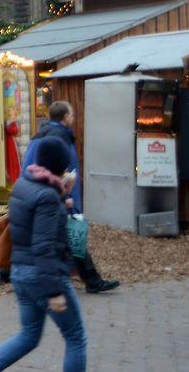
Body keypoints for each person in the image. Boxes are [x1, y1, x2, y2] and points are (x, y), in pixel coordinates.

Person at [0, 137, 87, 372]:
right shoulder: (47, 197)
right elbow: (44, 245)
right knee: (75, 336)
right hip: (41, 277)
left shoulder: (25, 183)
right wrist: (55, 292)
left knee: (29, 335)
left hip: (20, 272)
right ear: (59, 167)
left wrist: (60, 193)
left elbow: (32, 220)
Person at [20, 101, 120, 294]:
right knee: (71, 237)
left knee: (61, 237)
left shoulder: (42, 134)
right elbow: (56, 168)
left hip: (39, 192)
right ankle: (90, 280)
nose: (73, 119)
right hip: (55, 194)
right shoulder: (59, 138)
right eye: (72, 115)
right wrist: (64, 194)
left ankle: (12, 271)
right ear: (65, 117)